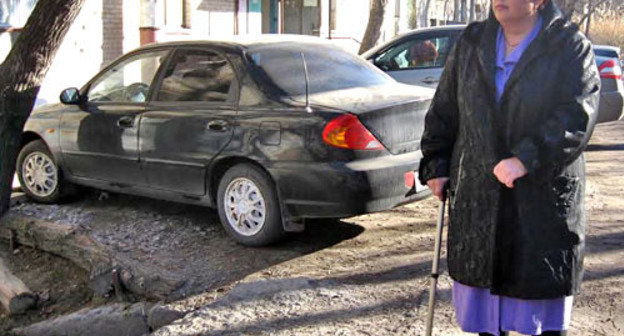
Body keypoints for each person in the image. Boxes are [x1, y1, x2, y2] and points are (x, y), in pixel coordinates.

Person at [417, 0, 601, 335]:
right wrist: (436, 162)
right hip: (479, 198)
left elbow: (577, 114)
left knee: (542, 316)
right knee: (487, 316)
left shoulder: (569, 45)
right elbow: (445, 109)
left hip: (541, 203)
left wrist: (526, 158)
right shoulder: (471, 42)